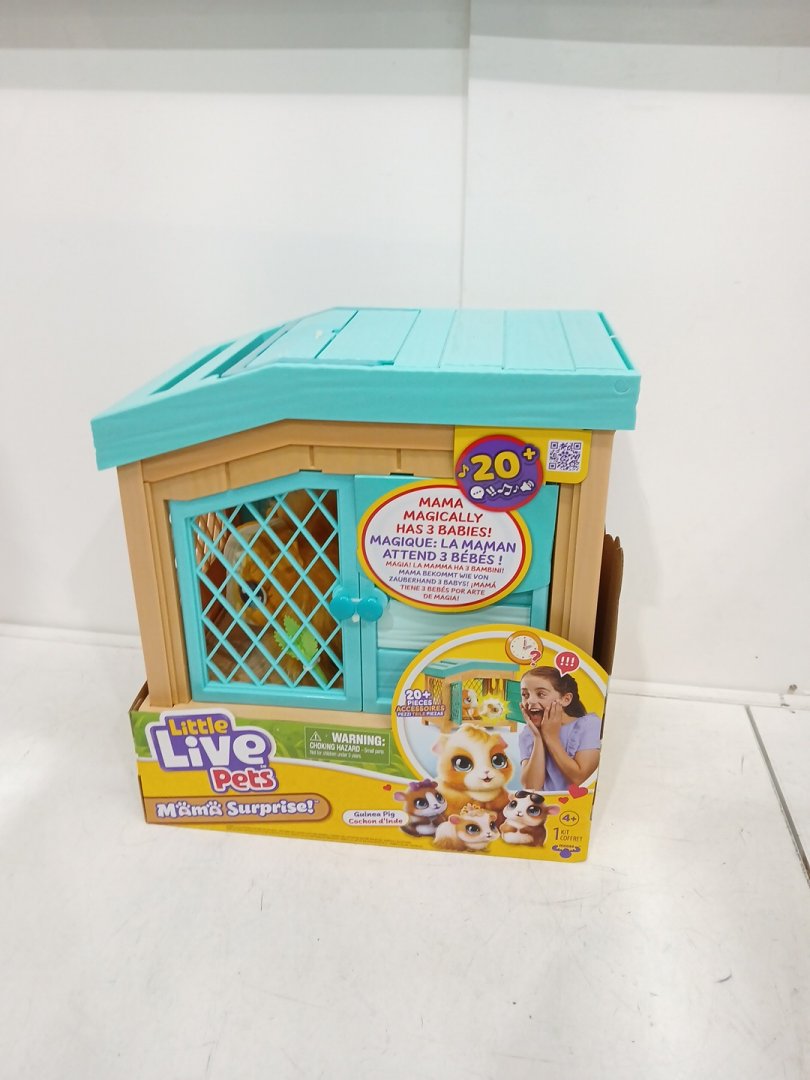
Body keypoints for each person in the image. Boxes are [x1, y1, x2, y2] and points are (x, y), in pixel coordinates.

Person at [518, 666, 601, 792]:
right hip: (545, 804)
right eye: (525, 695)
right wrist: (538, 737)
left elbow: (580, 779)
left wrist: (550, 737)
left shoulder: (588, 725)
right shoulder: (528, 733)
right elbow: (531, 787)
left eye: (541, 694)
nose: (530, 700)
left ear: (565, 699)